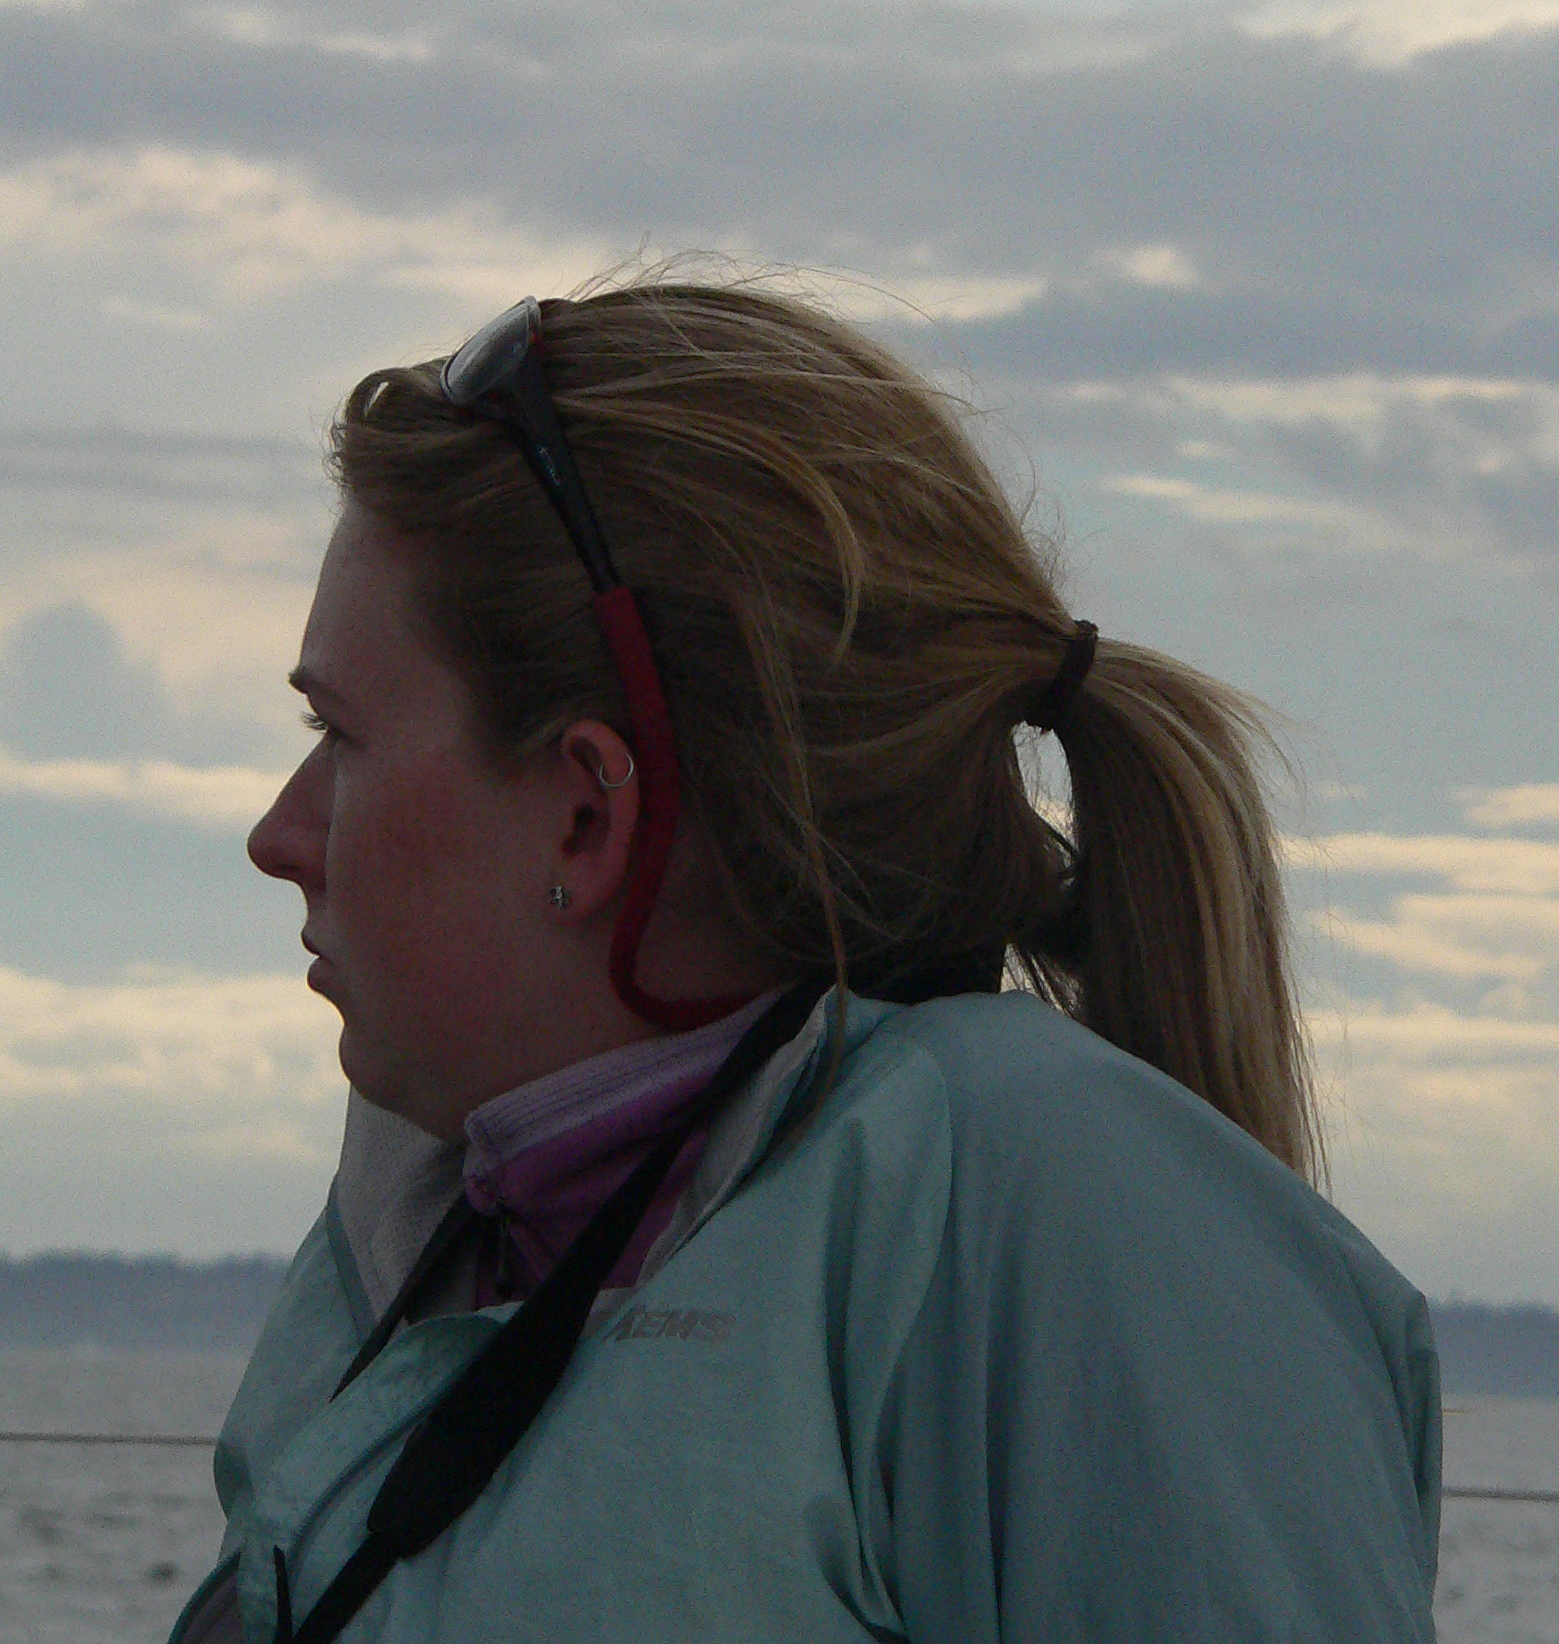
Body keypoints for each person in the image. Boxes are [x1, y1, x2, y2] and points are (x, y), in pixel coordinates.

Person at [171, 276, 1440, 1644]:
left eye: (339, 736)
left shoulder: (1067, 1230)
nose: (278, 836)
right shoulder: (433, 1232)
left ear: (589, 812)